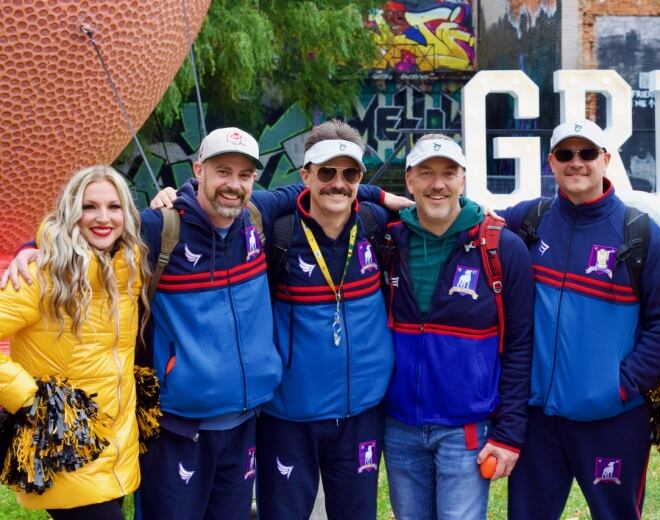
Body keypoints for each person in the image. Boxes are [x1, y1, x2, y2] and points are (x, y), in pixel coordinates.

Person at [0, 127, 306, 519]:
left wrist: (378, 196)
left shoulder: (127, 264)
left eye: (244, 175)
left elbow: (309, 190)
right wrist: (33, 248)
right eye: (222, 171)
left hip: (149, 438)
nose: (233, 184)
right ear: (199, 171)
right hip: (133, 435)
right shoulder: (151, 234)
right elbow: (63, 238)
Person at [499, 119, 660, 519]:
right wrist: (377, 196)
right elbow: (459, 217)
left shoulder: (640, 232)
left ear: (606, 160)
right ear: (551, 163)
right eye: (565, 154)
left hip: (612, 418)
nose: (576, 162)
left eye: (587, 153)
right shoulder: (529, 219)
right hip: (537, 417)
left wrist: (622, 385)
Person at [382, 134, 535, 519]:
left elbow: (519, 346)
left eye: (448, 173)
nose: (438, 184)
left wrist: (509, 433)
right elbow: (335, 196)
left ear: (462, 180)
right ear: (409, 181)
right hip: (399, 426)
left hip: (466, 430)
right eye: (426, 173)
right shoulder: (387, 240)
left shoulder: (500, 246)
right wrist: (377, 196)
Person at [254, 120, 395, 519]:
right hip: (288, 418)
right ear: (306, 176)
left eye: (350, 174)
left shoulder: (375, 225)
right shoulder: (277, 234)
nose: (338, 183)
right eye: (327, 172)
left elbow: (445, 210)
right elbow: (224, 206)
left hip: (361, 417)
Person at [0, 165, 148, 519]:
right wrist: (29, 397)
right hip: (63, 447)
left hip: (116, 446)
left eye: (114, 207)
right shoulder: (39, 273)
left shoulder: (129, 267)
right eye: (89, 206)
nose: (103, 218)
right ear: (71, 212)